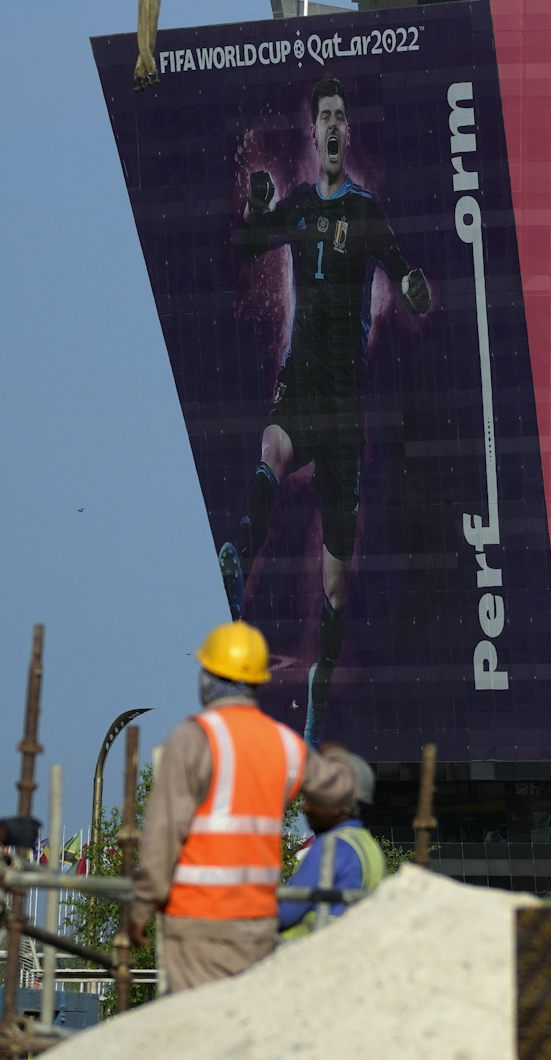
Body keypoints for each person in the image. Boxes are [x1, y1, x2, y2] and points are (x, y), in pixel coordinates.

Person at [219, 76, 432, 746]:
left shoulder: (365, 212)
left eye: (342, 116)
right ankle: (233, 567)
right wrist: (258, 209)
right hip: (302, 377)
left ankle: (318, 688)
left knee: (336, 584)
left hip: (346, 403)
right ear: (315, 134)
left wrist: (415, 289)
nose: (334, 127)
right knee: (271, 452)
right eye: (325, 118)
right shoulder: (303, 204)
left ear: (348, 130)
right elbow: (252, 243)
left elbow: (406, 278)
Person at [130, 622, 363, 993]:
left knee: (200, 1030)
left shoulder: (193, 740)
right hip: (256, 928)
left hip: (198, 926)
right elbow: (339, 790)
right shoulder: (285, 745)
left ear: (208, 678)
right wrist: (340, 759)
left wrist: (141, 907)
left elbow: (162, 835)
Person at [278, 750, 383, 939]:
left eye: (314, 799)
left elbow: (285, 915)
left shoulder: (330, 847)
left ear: (338, 805)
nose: (305, 807)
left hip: (311, 954)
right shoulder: (368, 845)